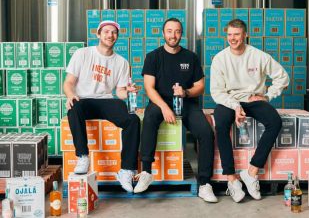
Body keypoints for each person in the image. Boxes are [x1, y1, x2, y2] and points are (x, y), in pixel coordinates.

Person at [134, 18, 217, 203]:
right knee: (149, 119)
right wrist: (164, 107)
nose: (173, 35)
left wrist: (186, 92)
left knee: (205, 132)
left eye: (177, 31)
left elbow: (200, 86)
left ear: (181, 33)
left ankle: (205, 183)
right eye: (169, 31)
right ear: (163, 33)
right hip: (159, 101)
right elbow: (149, 88)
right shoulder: (153, 56)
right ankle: (146, 171)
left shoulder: (191, 57)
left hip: (186, 102)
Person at [210, 19, 289, 202]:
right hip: (229, 100)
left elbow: (282, 77)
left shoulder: (259, 56)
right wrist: (235, 106)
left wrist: (268, 96)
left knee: (275, 121)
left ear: (245, 35)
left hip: (253, 98)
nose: (232, 38)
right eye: (229, 34)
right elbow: (217, 92)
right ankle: (231, 178)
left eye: (236, 34)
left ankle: (251, 172)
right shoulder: (220, 59)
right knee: (221, 124)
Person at [63, 20, 141, 193]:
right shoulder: (82, 54)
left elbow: (119, 92)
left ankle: (127, 170)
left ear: (117, 37)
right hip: (84, 99)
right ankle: (83, 156)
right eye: (106, 32)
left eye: (113, 33)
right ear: (98, 34)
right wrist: (70, 95)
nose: (110, 35)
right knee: (74, 108)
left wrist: (127, 91)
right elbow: (68, 82)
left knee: (132, 120)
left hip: (106, 100)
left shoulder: (122, 62)